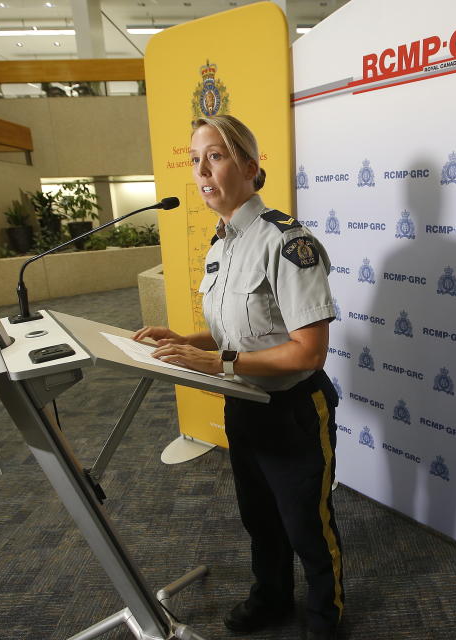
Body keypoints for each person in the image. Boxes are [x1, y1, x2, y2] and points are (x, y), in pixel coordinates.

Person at [132, 115, 343, 640]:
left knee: (307, 527)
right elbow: (241, 336)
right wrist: (184, 340)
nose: (203, 170)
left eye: (217, 155)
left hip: (292, 411)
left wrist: (217, 362)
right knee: (260, 520)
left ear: (250, 166)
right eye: (196, 159)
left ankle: (325, 616)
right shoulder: (222, 244)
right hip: (242, 404)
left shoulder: (288, 242)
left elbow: (308, 353)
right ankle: (271, 599)